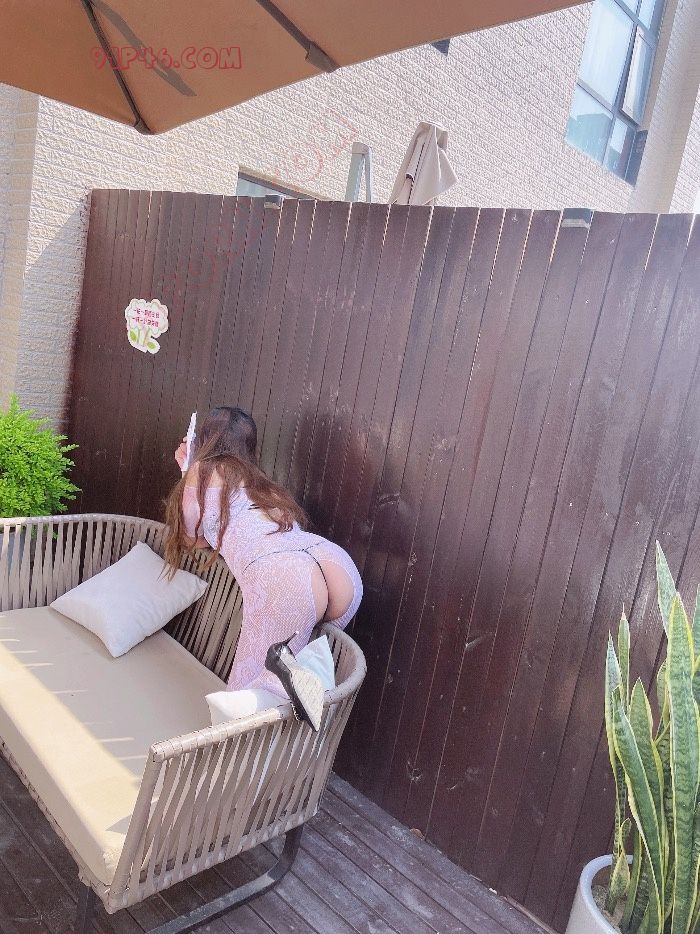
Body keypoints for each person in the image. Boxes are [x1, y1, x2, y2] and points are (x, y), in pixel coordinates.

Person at [164, 406, 363, 695]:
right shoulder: (261, 484)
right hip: (333, 563)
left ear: (204, 439)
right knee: (289, 681)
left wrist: (186, 469)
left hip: (285, 578)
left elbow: (190, 536)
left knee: (245, 703)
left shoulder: (201, 471)